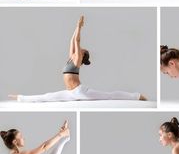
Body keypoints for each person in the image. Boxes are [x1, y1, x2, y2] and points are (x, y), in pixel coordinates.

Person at [9, 16, 146, 102]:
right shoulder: (71, 58)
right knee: (47, 96)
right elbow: (72, 40)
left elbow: (77, 40)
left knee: (108, 95)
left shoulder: (77, 59)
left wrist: (79, 27)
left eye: (83, 50)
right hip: (70, 93)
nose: (81, 48)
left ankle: (136, 96)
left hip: (80, 92)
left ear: (83, 54)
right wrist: (76, 27)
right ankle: (20, 97)